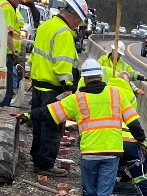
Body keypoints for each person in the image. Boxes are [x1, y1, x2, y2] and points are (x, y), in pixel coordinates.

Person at [22, 58, 146, 196]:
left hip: (89, 154)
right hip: (112, 153)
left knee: (90, 193)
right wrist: (142, 140)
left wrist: (28, 116)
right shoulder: (116, 94)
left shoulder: (77, 99)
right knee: (103, 194)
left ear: (85, 79)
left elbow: (49, 112)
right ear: (99, 76)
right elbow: (133, 122)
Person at [28, 0, 88, 177]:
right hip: (53, 89)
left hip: (38, 85)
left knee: (39, 124)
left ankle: (37, 159)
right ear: (73, 15)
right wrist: (68, 88)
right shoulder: (63, 33)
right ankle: (45, 164)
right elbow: (62, 65)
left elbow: (33, 56)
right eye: (79, 21)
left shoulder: (46, 26)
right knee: (53, 127)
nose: (78, 25)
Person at [77, 66, 147, 196]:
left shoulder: (107, 91)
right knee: (140, 174)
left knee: (113, 171)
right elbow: (133, 120)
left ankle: (113, 192)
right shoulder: (130, 96)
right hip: (130, 140)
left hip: (113, 141)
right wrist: (142, 142)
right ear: (128, 83)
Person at [0, 0, 20, 107]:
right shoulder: (8, 8)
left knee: (7, 85)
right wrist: (15, 52)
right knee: (8, 88)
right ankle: (3, 110)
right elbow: (8, 35)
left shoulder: (4, 5)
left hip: (5, 52)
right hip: (7, 53)